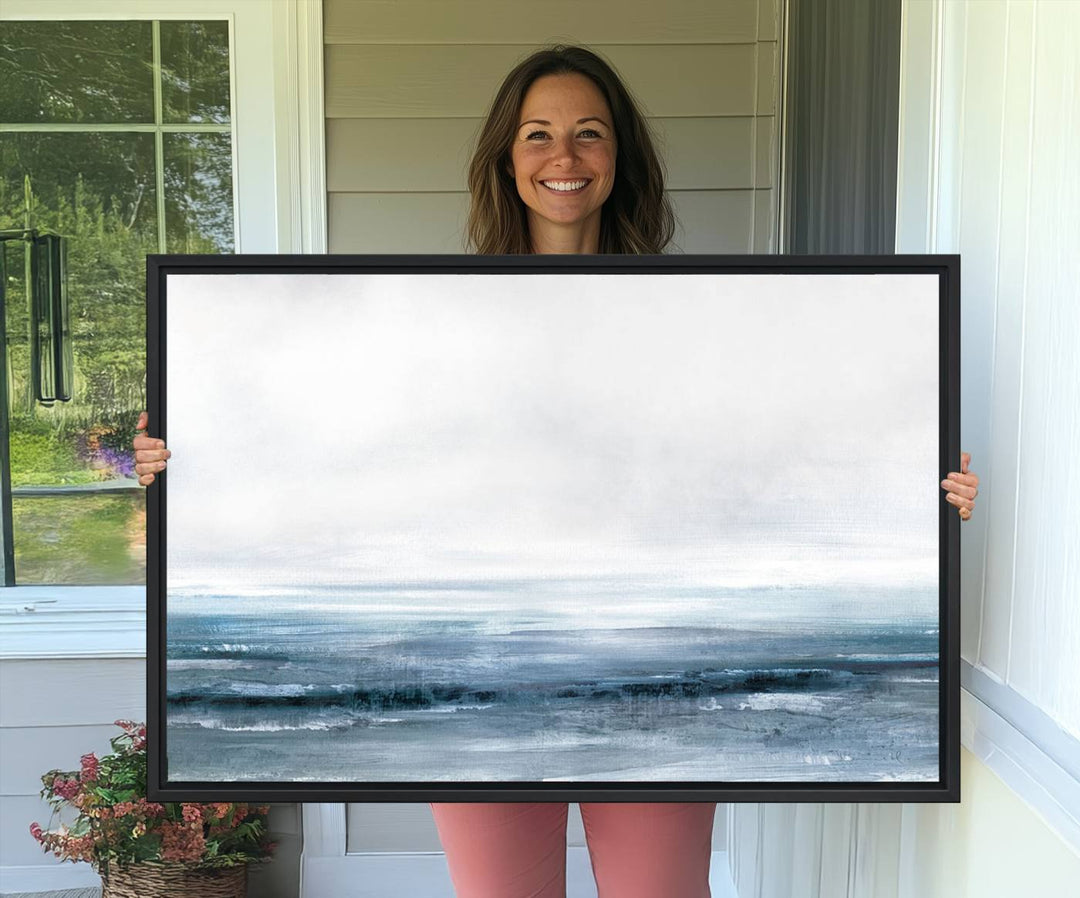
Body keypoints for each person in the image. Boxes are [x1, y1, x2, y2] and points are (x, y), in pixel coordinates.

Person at [133, 45, 980, 898]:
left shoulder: (699, 315)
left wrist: (914, 497)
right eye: (538, 135)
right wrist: (192, 467)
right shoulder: (443, 322)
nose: (564, 157)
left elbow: (782, 454)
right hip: (474, 664)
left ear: (620, 158)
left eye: (589, 134)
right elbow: (342, 455)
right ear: (507, 158)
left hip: (654, 670)